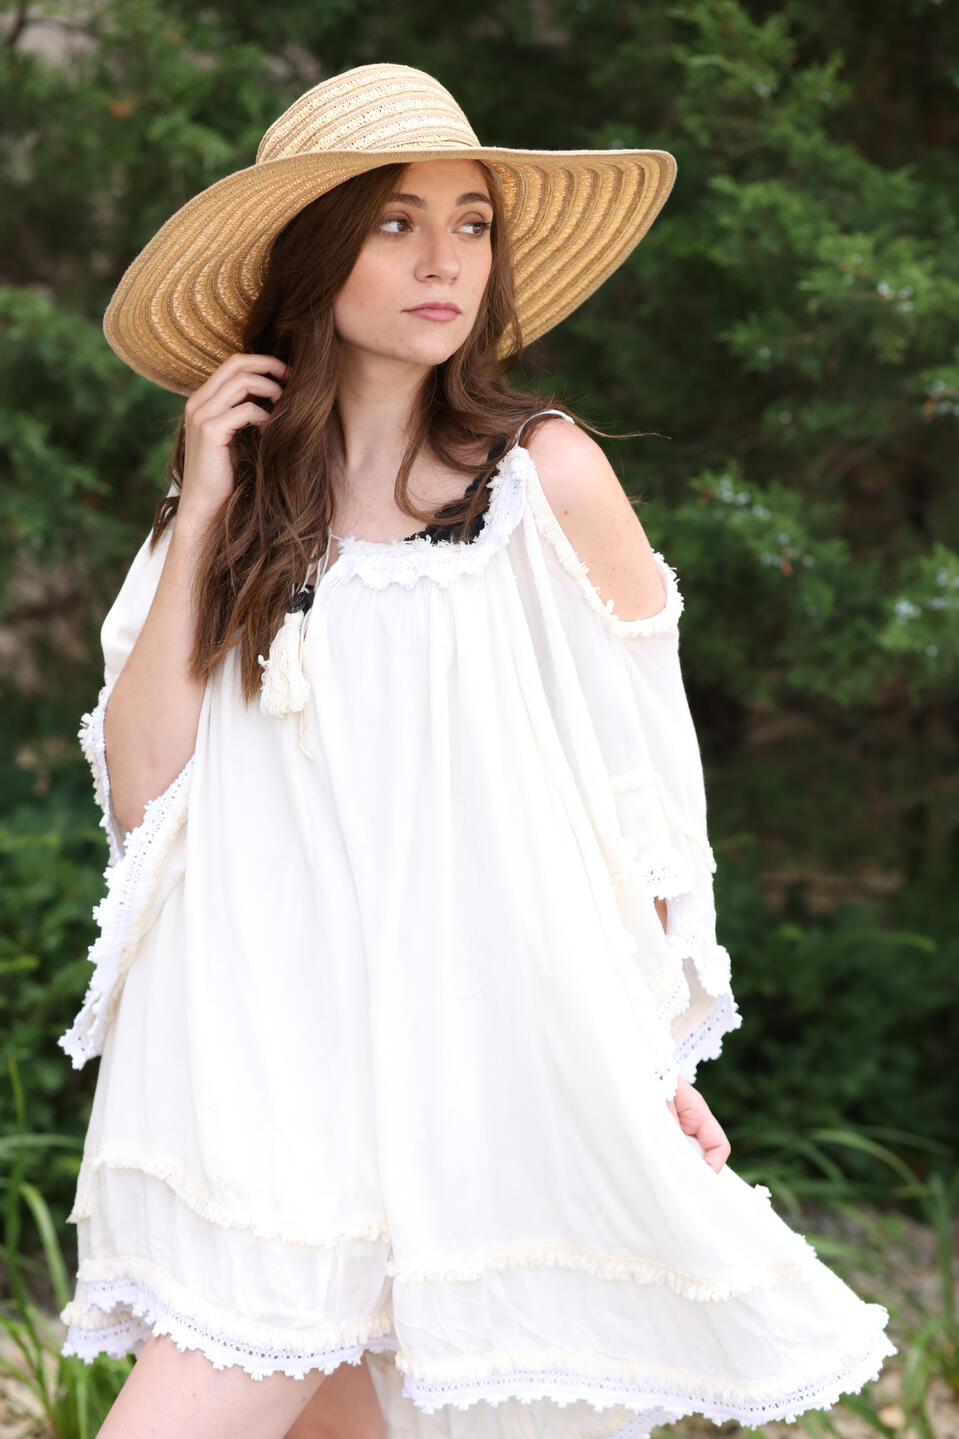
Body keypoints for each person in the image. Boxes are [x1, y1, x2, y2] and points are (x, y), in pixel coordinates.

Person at [57, 61, 896, 1439]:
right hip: (270, 1079)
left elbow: (644, 796)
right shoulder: (230, 512)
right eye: (394, 223)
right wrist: (203, 512)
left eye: (471, 222)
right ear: (313, 259)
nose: (444, 259)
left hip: (474, 1065)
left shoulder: (543, 481)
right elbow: (145, 794)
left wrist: (655, 1049)